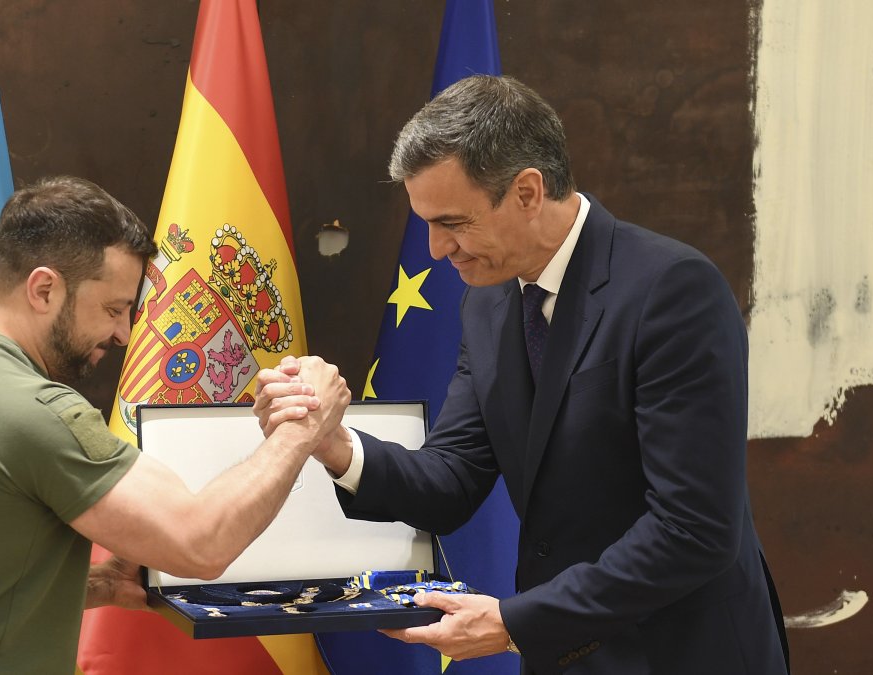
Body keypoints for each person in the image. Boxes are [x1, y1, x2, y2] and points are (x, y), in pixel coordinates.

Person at [258, 75, 789, 674]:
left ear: (528, 192)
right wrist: (334, 444)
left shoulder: (672, 291)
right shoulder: (487, 301)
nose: (436, 250)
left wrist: (516, 623)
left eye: (453, 223)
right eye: (427, 224)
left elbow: (694, 529)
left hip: (681, 655)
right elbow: (452, 478)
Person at [0, 176, 349, 673]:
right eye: (114, 309)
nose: (122, 333)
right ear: (44, 289)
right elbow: (200, 543)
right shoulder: (32, 410)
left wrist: (89, 586)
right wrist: (301, 426)